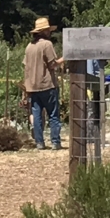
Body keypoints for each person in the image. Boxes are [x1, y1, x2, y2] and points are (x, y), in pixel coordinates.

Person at [22, 17, 64, 150]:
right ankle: (55, 142)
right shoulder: (47, 44)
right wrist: (65, 58)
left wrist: (25, 90)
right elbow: (52, 65)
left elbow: (26, 68)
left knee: (37, 116)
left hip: (32, 87)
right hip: (47, 85)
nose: (49, 32)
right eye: (47, 30)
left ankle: (39, 143)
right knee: (53, 115)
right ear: (44, 31)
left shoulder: (29, 47)